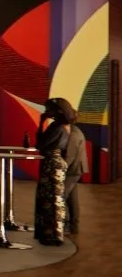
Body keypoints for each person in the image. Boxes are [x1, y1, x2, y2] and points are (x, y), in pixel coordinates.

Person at [35, 98, 83, 245]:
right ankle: (69, 227)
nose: (46, 112)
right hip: (62, 165)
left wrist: (41, 122)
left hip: (56, 165)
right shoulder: (68, 127)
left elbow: (40, 144)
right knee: (65, 198)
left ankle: (57, 232)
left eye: (48, 109)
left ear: (57, 111)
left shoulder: (58, 127)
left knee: (56, 199)